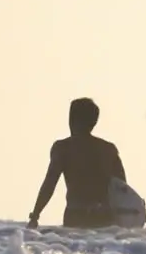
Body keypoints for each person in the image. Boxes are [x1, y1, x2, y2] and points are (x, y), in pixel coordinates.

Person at [27, 97, 132, 230]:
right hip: (104, 217)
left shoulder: (63, 148)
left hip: (76, 216)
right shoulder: (108, 149)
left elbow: (49, 184)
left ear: (72, 119)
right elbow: (122, 189)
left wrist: (35, 215)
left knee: (76, 250)